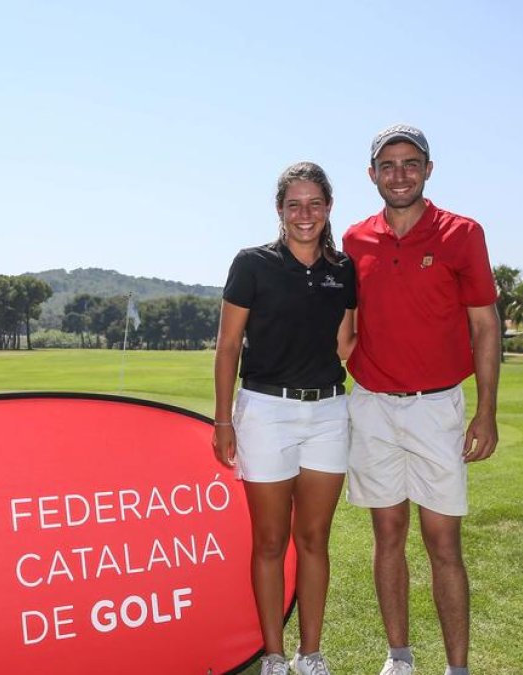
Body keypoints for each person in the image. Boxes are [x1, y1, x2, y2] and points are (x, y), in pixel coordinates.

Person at [342, 124, 500, 675]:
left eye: (410, 164)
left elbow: (485, 325)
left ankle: (457, 668)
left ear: (428, 169)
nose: (399, 175)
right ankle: (400, 657)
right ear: (372, 176)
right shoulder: (355, 240)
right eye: (388, 166)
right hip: (374, 405)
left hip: (438, 407)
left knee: (443, 541)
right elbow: (349, 324)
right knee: (387, 532)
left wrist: (486, 410)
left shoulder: (462, 233)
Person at [213, 161, 356, 675]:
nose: (304, 214)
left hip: (327, 413)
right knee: (270, 541)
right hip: (265, 412)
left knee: (315, 539)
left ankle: (309, 654)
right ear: (279, 210)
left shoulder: (343, 269)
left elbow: (346, 344)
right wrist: (223, 419)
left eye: (314, 203)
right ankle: (274, 655)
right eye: (294, 204)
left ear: (328, 208)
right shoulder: (251, 264)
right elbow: (228, 346)